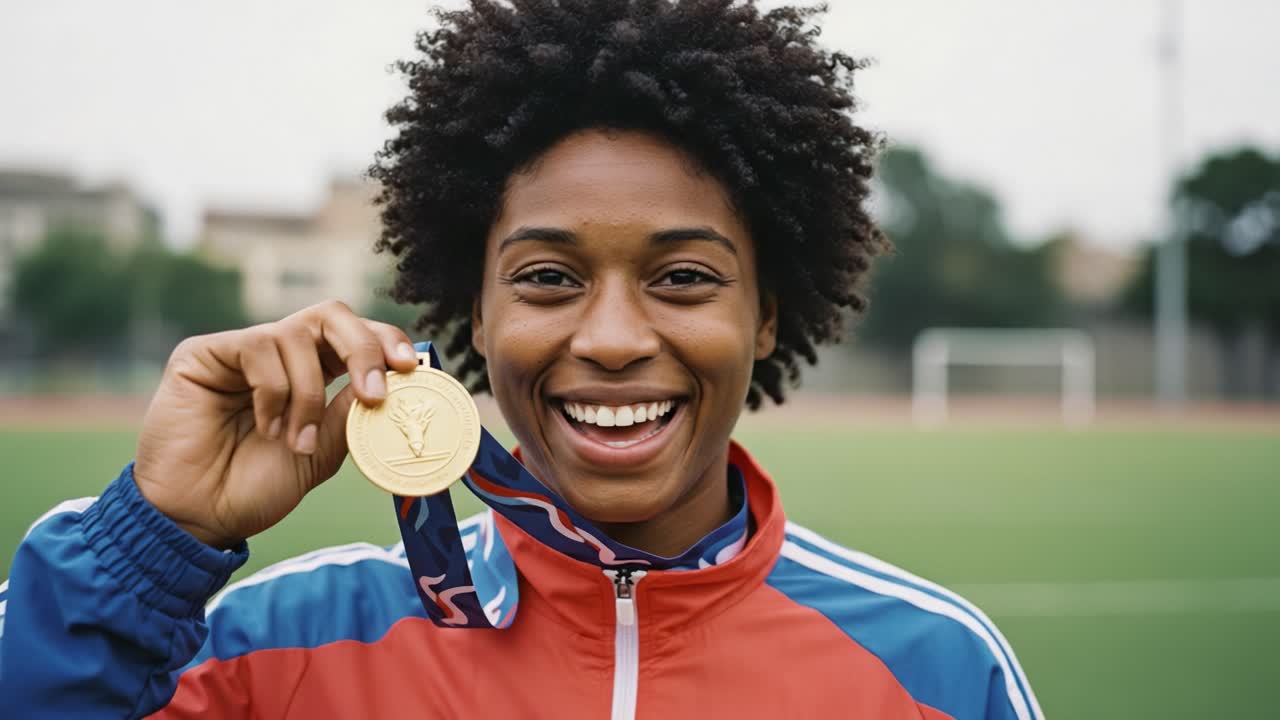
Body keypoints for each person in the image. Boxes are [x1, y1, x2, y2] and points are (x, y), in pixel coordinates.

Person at [0, 1, 1042, 718]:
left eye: (683, 277)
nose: (614, 338)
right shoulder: (274, 648)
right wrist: (153, 539)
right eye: (548, 278)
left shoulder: (935, 669)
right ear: (476, 314)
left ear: (767, 317)